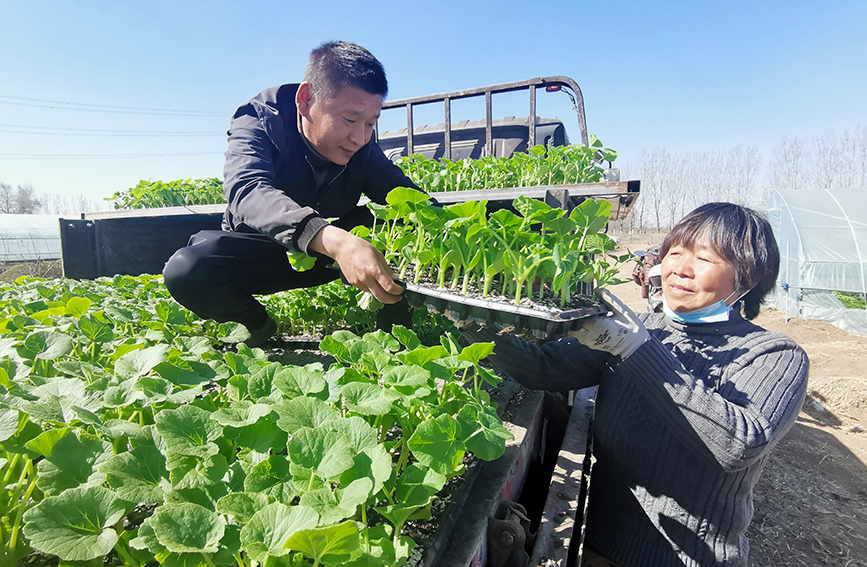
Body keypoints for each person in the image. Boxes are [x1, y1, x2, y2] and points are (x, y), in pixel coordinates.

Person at [455, 202, 809, 567]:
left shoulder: (774, 355)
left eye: (704, 259)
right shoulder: (644, 329)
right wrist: (472, 324)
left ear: (746, 279)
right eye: (674, 252)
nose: (680, 269)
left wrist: (635, 349)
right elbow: (544, 369)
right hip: (593, 547)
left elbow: (737, 446)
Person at [163, 41, 420, 346]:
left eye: (370, 123)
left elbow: (408, 198)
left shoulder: (362, 145)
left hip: (324, 257)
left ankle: (397, 343)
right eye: (350, 120)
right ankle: (256, 324)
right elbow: (248, 189)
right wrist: (336, 242)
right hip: (262, 254)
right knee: (187, 269)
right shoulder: (260, 120)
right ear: (305, 99)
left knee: (398, 221)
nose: (360, 137)